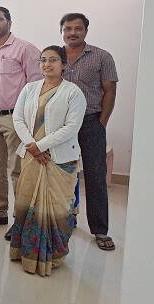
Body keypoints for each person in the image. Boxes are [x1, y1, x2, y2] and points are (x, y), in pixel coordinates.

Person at [10, 46, 86, 276]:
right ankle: (25, 252)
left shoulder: (73, 93)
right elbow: (18, 118)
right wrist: (32, 145)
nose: (47, 64)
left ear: (64, 64)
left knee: (59, 209)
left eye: (53, 60)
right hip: (31, 157)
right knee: (26, 203)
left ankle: (53, 255)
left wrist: (39, 146)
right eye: (43, 60)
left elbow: (72, 127)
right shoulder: (29, 88)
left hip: (59, 159)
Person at [0, 6, 41, 232]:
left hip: (16, 118)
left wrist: (29, 120)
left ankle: (20, 220)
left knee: (17, 170)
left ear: (9, 22)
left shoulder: (25, 49)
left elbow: (36, 87)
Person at [60, 13, 118, 251]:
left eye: (78, 28)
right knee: (62, 173)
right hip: (62, 125)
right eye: (68, 29)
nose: (72, 33)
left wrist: (101, 123)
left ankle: (100, 230)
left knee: (95, 176)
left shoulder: (102, 57)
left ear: (86, 30)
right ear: (62, 31)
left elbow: (110, 91)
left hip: (91, 121)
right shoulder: (56, 56)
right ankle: (64, 219)